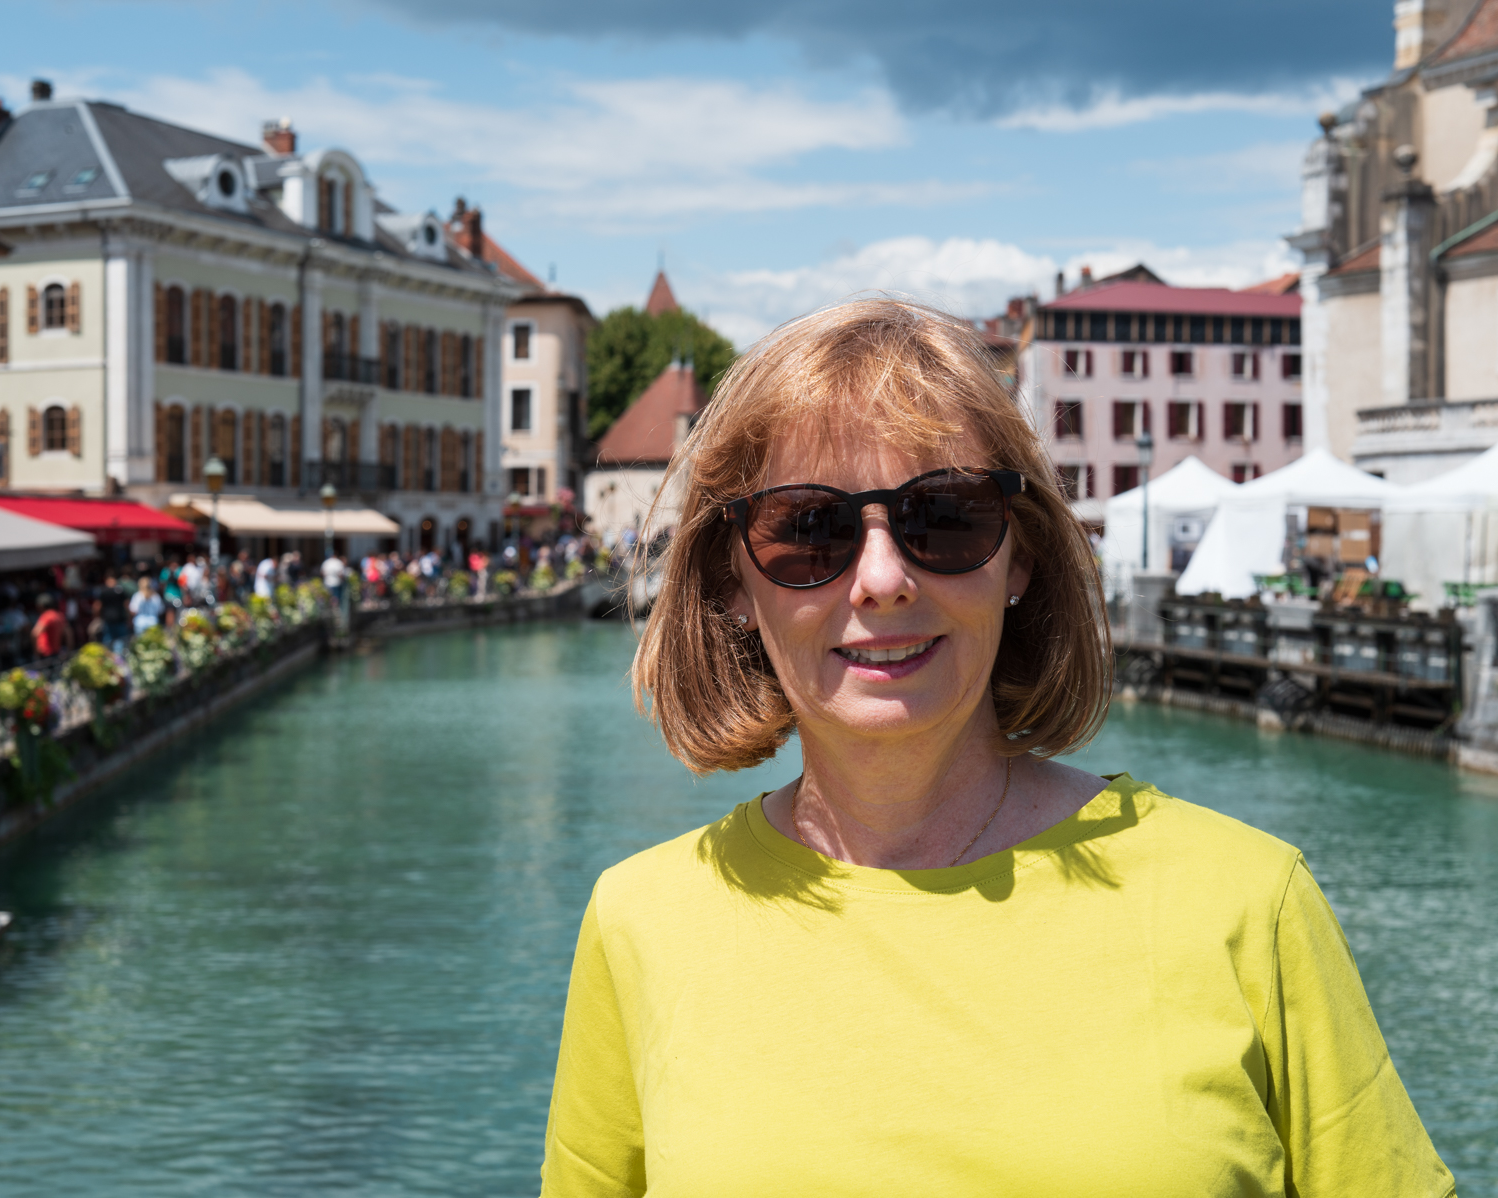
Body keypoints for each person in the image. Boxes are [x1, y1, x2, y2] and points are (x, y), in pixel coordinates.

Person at [540, 299, 1453, 1196]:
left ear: (1020, 558)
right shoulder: (639, 923)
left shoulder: (1247, 902)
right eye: (810, 529)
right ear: (730, 580)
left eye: (944, 517)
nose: (884, 579)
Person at [98, 572, 133, 652]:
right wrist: (130, 617)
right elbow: (127, 605)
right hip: (117, 620)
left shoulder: (104, 591)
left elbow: (97, 606)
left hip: (111, 620)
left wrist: (97, 617)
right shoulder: (120, 590)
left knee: (109, 643)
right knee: (122, 643)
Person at [31, 592, 69, 660]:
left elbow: (35, 633)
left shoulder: (47, 616)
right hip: (56, 652)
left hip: (45, 653)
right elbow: (68, 633)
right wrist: (69, 649)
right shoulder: (59, 616)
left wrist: (36, 652)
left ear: (41, 606)